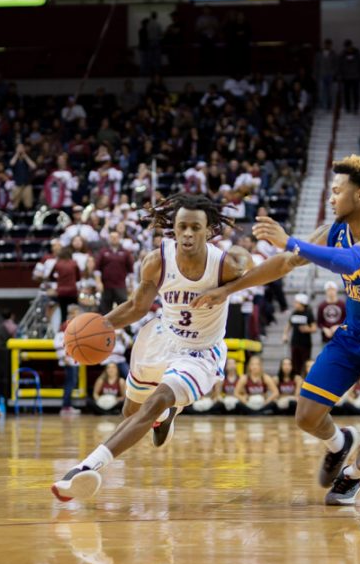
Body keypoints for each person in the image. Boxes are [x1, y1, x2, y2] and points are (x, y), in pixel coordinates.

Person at [192, 155, 360, 505]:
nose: (331, 198)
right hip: (354, 337)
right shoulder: (336, 228)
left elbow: (352, 260)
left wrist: (291, 241)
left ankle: (352, 476)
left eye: (337, 191)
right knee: (306, 417)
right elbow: (287, 263)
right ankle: (339, 443)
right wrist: (229, 289)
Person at [51, 194, 249, 501]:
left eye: (195, 227)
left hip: (199, 351)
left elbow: (251, 269)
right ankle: (165, 417)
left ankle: (84, 468)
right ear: (173, 228)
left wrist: (229, 285)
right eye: (182, 226)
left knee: (156, 400)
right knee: (130, 411)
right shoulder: (157, 260)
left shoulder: (224, 264)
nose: (187, 233)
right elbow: (136, 306)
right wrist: (100, 325)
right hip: (160, 338)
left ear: (208, 230)